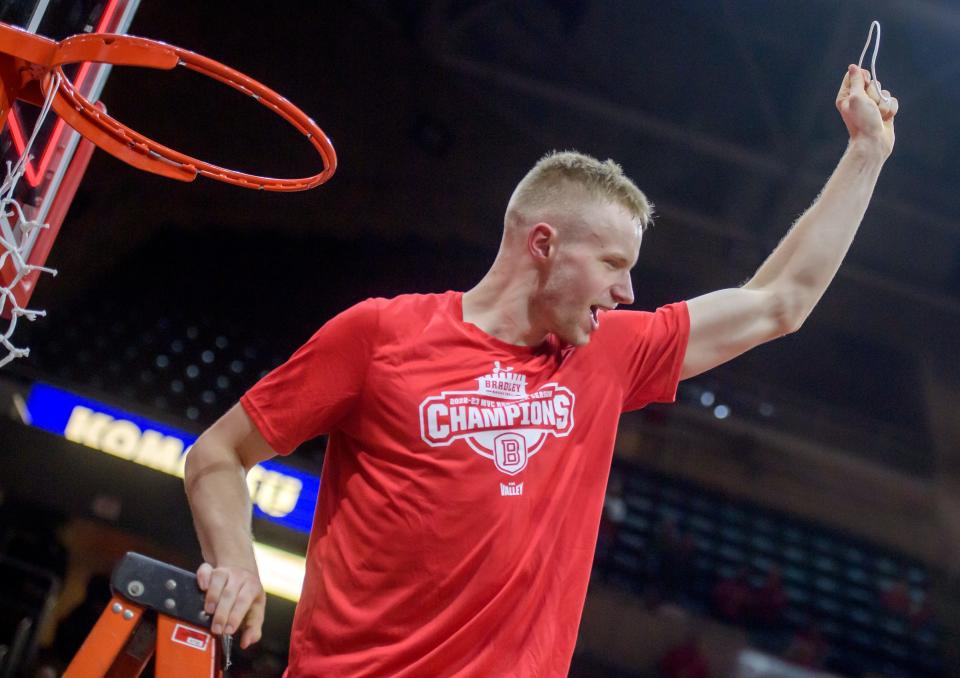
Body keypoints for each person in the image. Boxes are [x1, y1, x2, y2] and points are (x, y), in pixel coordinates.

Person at [183, 64, 897, 676]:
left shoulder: (608, 354)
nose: (627, 293)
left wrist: (866, 151)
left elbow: (779, 303)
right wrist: (237, 560)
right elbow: (216, 455)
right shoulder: (380, 334)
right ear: (544, 244)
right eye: (614, 265)